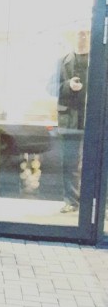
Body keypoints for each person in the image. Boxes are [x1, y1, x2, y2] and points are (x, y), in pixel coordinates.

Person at [57, 28, 89, 213]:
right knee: (70, 161)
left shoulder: (102, 60)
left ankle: (102, 203)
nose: (82, 36)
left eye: (86, 33)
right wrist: (68, 85)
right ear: (72, 36)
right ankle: (71, 201)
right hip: (70, 119)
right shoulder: (62, 61)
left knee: (100, 161)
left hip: (95, 117)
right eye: (79, 33)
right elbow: (50, 87)